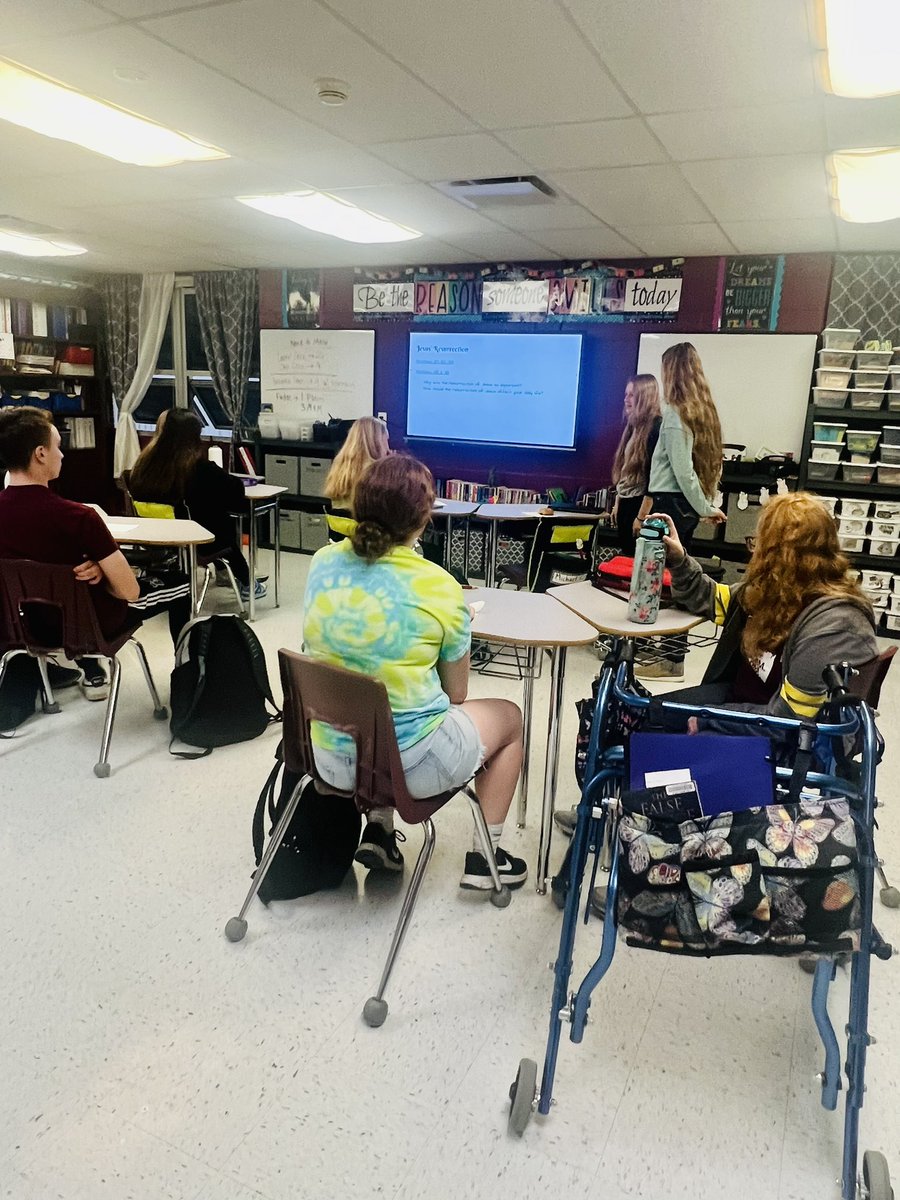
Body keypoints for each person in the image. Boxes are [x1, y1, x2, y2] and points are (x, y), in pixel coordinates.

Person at [302, 453, 527, 890]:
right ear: (424, 519)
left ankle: (382, 833)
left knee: (375, 702)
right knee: (510, 719)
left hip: (327, 757)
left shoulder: (321, 563)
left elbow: (322, 650)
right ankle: (487, 859)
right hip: (409, 767)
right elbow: (457, 693)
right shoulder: (440, 586)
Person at [0, 407, 191, 700]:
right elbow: (129, 590)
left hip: (24, 626)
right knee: (182, 584)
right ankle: (189, 677)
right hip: (89, 626)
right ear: (40, 453)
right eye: (57, 447)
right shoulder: (79, 517)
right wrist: (102, 576)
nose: (62, 456)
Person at [650, 492, 878, 726]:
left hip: (776, 737)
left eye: (761, 544)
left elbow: (790, 721)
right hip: (746, 701)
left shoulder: (835, 626)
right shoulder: (778, 591)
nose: (754, 552)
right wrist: (678, 560)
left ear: (781, 554)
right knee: (647, 713)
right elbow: (712, 598)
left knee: (649, 732)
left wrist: (709, 722)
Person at [635, 342, 726, 681]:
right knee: (675, 582)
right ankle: (668, 657)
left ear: (671, 371)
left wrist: (704, 506)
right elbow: (697, 470)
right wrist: (702, 505)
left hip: (667, 503)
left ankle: (670, 661)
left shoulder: (673, 413)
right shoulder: (699, 412)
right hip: (681, 504)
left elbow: (682, 469)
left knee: (660, 583)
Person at [129, 409, 263, 602]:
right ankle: (246, 583)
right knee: (221, 521)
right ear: (193, 437)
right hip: (195, 543)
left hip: (153, 540)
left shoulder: (142, 466)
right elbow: (235, 492)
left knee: (205, 511)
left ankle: (225, 573)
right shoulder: (200, 469)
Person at [609, 374, 661, 557]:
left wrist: (641, 517)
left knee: (637, 559)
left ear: (644, 396)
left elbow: (654, 479)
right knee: (626, 556)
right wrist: (618, 501)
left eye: (632, 395)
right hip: (626, 501)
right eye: (626, 394)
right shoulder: (633, 427)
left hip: (640, 505)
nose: (626, 399)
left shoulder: (656, 428)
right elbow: (625, 470)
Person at [323, 415, 390, 514]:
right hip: (365, 526)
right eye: (386, 441)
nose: (388, 447)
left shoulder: (340, 463)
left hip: (340, 526)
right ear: (378, 442)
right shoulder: (376, 470)